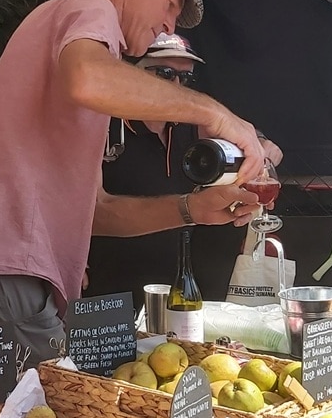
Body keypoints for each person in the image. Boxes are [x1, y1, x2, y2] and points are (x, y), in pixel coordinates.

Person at [0, 0, 266, 376]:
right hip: (1, 281)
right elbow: (87, 78)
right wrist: (217, 115)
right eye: (171, 5)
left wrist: (191, 209)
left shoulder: (80, 50)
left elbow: (95, 212)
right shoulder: (91, 6)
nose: (170, 26)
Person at [85, 32, 282, 309]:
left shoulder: (192, 125)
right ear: (129, 73)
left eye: (185, 78)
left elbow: (240, 136)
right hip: (112, 290)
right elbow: (81, 213)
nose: (177, 86)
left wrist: (260, 146)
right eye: (165, 73)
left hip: (184, 290)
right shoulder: (102, 127)